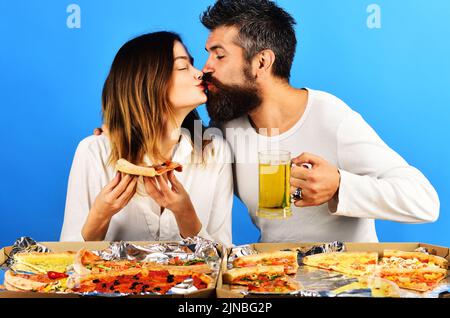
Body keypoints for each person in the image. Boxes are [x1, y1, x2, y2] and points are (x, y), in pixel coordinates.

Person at [199, 0, 440, 242]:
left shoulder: (331, 118)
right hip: (273, 273)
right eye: (208, 55)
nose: (206, 67)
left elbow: (424, 201)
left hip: (349, 275)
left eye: (219, 55)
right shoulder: (226, 128)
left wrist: (339, 185)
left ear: (262, 62)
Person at [60, 32, 233, 247]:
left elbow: (223, 258)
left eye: (192, 65)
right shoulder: (93, 152)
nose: (200, 73)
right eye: (182, 67)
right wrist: (100, 215)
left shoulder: (215, 152)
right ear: (147, 83)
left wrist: (186, 215)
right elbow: (66, 260)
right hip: (113, 282)